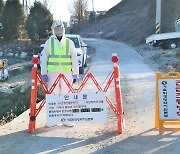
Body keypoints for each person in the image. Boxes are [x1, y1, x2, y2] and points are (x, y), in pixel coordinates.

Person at [40, 21, 79, 127]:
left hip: (67, 72)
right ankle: (53, 120)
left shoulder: (69, 43)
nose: (58, 32)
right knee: (53, 95)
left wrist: (75, 73)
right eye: (56, 30)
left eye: (60, 30)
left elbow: (74, 59)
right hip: (52, 72)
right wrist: (44, 73)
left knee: (67, 95)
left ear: (63, 30)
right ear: (53, 30)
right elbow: (44, 58)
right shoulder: (49, 42)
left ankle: (67, 119)